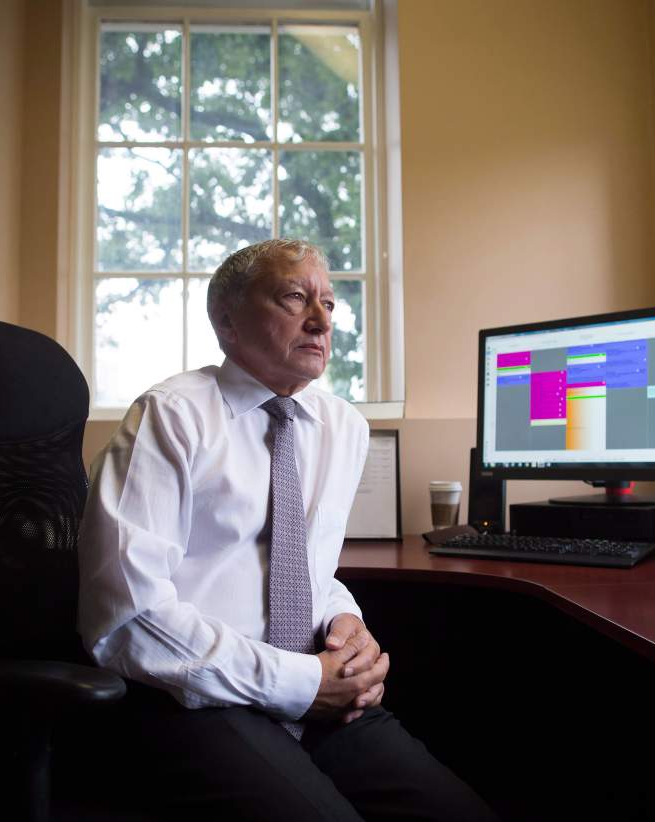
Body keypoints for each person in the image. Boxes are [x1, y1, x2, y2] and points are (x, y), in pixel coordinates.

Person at [77, 239, 497, 821]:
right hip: (196, 697)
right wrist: (301, 682)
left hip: (313, 692)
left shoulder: (342, 427)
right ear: (226, 321)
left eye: (328, 302)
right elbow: (127, 619)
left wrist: (348, 628)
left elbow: (306, 569)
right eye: (295, 298)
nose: (322, 319)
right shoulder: (170, 416)